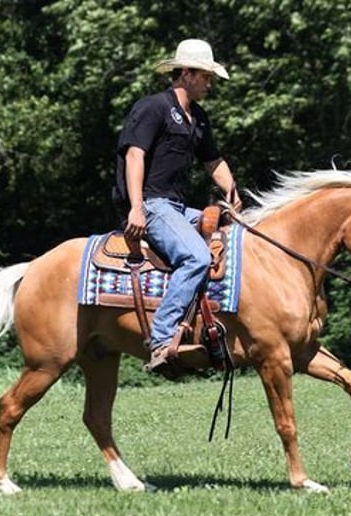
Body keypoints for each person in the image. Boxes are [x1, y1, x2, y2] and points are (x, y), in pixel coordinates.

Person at [113, 38, 242, 373]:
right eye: (205, 76)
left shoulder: (197, 118)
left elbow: (213, 161)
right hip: (154, 205)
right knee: (197, 256)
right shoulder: (153, 107)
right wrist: (137, 208)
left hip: (178, 209)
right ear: (185, 73)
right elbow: (134, 155)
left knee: (236, 237)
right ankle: (161, 338)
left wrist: (231, 189)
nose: (210, 83)